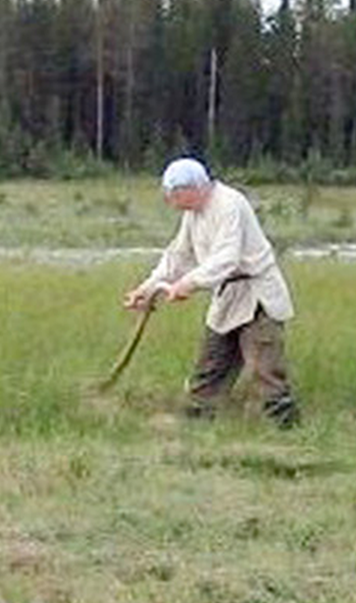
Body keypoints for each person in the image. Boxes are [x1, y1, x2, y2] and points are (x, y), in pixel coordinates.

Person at [123, 157, 299, 426]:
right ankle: (197, 423)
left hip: (257, 295)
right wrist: (146, 289)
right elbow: (178, 256)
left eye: (173, 195)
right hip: (227, 297)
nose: (170, 201)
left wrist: (189, 284)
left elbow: (227, 257)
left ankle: (286, 430)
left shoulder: (229, 204)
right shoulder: (193, 213)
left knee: (264, 370)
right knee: (210, 367)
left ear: (192, 188)